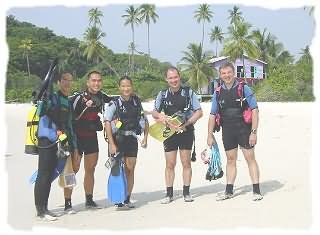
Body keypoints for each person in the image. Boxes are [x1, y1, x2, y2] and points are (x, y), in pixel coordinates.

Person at [207, 62, 263, 201]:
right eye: (223, 73)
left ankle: (256, 190)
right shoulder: (218, 92)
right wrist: (209, 135)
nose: (227, 76)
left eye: (229, 72)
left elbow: (255, 111)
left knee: (250, 159)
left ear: (234, 73)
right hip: (228, 131)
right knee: (230, 160)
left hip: (244, 130)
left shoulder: (244, 88)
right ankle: (229, 190)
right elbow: (212, 114)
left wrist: (254, 132)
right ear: (220, 75)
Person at [152, 66, 203, 204]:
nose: (173, 80)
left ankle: (186, 192)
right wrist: (161, 118)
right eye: (170, 78)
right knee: (170, 163)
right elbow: (154, 112)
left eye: (175, 77)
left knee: (186, 162)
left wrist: (186, 124)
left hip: (186, 132)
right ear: (166, 79)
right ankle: (169, 194)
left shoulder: (188, 92)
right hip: (169, 133)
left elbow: (199, 112)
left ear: (179, 77)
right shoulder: (162, 94)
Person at [63, 71, 112, 212]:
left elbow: (115, 100)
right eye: (93, 81)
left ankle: (89, 200)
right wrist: (69, 141)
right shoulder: (78, 98)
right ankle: (67, 202)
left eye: (99, 80)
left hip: (91, 138)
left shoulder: (102, 96)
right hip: (76, 138)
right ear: (88, 82)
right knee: (73, 170)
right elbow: (67, 118)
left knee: (91, 169)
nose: (96, 83)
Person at [34, 72, 79, 221]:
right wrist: (42, 100)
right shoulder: (52, 97)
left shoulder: (67, 101)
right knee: (44, 174)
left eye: (70, 80)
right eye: (64, 80)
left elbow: (70, 126)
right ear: (58, 82)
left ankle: (44, 208)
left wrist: (75, 147)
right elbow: (41, 111)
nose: (67, 83)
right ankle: (41, 210)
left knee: (49, 174)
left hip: (60, 142)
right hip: (47, 140)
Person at [104, 75, 149, 209]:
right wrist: (112, 144)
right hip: (118, 139)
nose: (126, 88)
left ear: (132, 86)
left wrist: (145, 138)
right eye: (123, 86)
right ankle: (119, 199)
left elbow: (145, 120)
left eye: (128, 85)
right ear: (119, 88)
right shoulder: (114, 103)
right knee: (118, 169)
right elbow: (107, 123)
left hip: (132, 139)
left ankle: (127, 198)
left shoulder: (136, 102)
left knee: (130, 169)